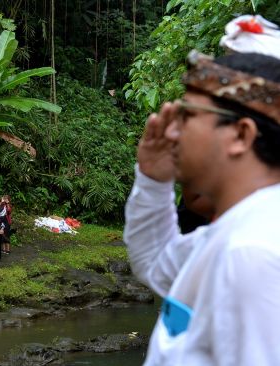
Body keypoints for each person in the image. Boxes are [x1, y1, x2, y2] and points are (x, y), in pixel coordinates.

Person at [124, 15, 280, 365]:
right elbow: (154, 263)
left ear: (241, 135)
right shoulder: (237, 231)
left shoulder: (252, 254)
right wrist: (153, 179)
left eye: (189, 116)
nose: (174, 132)